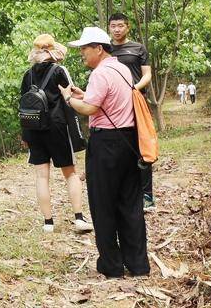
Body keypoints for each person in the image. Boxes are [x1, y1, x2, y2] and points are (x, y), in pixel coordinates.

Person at [58, 26, 150, 278]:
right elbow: (109, 100)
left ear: (99, 48)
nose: (82, 55)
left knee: (103, 204)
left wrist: (68, 98)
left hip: (106, 144)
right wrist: (85, 95)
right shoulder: (121, 68)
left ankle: (111, 265)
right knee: (130, 203)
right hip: (129, 140)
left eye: (85, 49)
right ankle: (138, 264)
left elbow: (89, 109)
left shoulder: (99, 74)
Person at [20, 34, 93, 234]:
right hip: (58, 128)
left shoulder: (28, 75)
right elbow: (69, 98)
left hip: (34, 129)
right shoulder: (60, 71)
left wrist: (25, 135)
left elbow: (23, 105)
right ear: (54, 52)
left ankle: (48, 223)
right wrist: (76, 132)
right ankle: (78, 218)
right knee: (70, 173)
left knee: (41, 177)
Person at [107, 13, 155, 210]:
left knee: (141, 146)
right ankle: (123, 193)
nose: (117, 29)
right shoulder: (105, 49)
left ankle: (147, 196)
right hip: (112, 105)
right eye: (113, 26)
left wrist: (134, 88)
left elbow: (147, 75)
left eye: (120, 25)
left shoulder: (138, 48)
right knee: (117, 147)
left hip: (136, 101)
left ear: (127, 27)